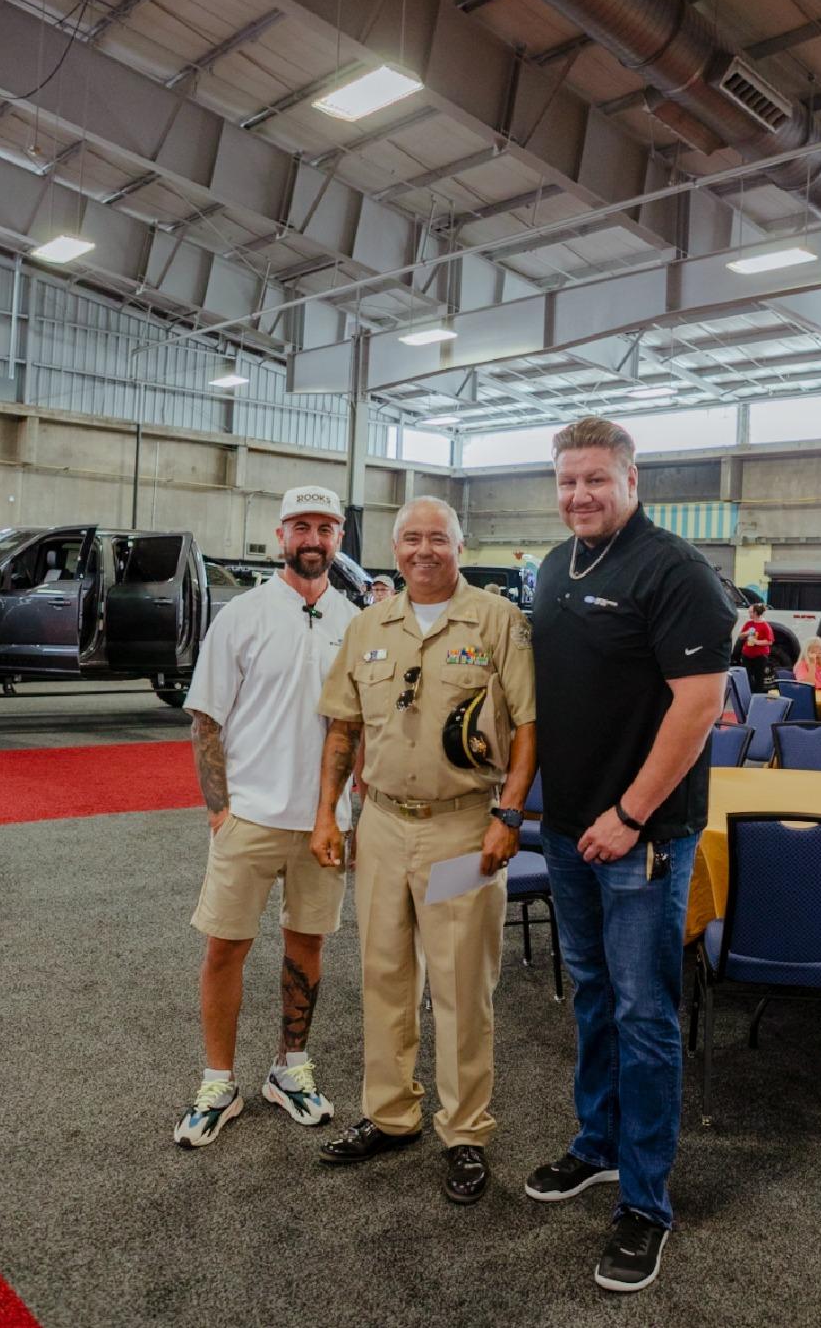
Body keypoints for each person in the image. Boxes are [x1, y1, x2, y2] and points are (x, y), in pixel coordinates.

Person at [527, 417, 735, 1294]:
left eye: (595, 480)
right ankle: (599, 1144)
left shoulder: (675, 571)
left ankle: (646, 1203)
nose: (579, 495)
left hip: (639, 835)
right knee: (593, 994)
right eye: (567, 481)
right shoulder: (554, 566)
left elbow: (698, 707)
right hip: (569, 829)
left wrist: (630, 812)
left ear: (631, 481)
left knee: (645, 1012)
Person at [310, 497, 536, 1206]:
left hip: (462, 828)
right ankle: (390, 1114)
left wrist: (508, 815)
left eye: (438, 538)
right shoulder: (369, 625)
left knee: (460, 983)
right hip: (381, 826)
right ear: (395, 548)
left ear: (460, 547)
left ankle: (465, 1132)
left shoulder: (498, 621)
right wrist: (328, 815)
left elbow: (529, 727)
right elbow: (343, 728)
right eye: (411, 539)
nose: (423, 550)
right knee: (383, 973)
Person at [174, 485, 357, 1148]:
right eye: (300, 526)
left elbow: (357, 728)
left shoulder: (353, 621)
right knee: (225, 947)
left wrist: (350, 813)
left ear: (339, 539)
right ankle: (218, 1082)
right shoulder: (244, 614)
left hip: (325, 822)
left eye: (325, 528)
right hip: (249, 817)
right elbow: (205, 718)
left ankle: (290, 1069)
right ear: (281, 535)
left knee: (307, 945)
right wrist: (220, 811)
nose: (313, 539)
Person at [739, 601, 773, 694]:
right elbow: (740, 636)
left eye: (750, 612)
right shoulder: (748, 624)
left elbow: (769, 641)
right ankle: (747, 694)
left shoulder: (765, 625)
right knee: (746, 676)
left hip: (760, 656)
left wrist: (756, 642)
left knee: (759, 678)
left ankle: (758, 696)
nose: (749, 614)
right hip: (747, 655)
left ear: (756, 613)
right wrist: (746, 633)